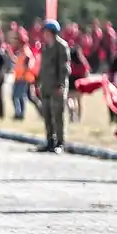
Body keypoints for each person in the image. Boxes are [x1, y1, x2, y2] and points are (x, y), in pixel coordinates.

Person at [36, 20, 71, 153]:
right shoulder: (45, 47)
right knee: (47, 114)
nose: (44, 34)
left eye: (45, 31)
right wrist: (38, 81)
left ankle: (60, 143)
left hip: (57, 86)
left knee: (58, 115)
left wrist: (61, 84)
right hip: (46, 85)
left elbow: (64, 68)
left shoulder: (62, 46)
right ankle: (50, 141)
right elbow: (43, 67)